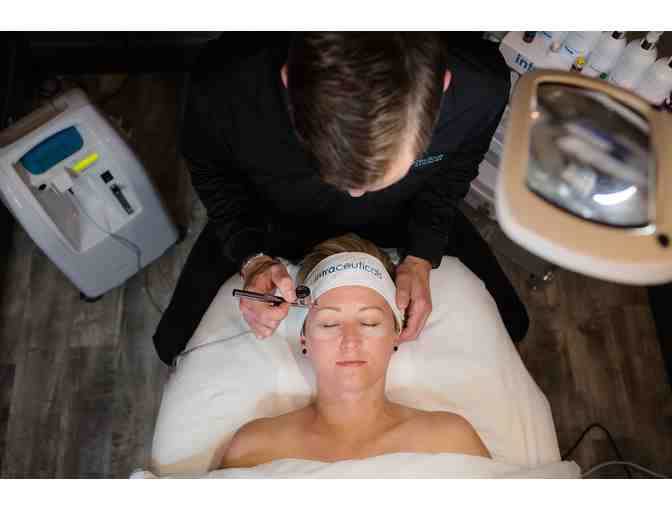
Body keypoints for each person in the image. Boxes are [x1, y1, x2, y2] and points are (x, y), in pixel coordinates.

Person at [153, 32, 529, 366]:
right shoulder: (224, 84)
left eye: (385, 175)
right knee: (171, 344)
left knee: (512, 323)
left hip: (405, 212)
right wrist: (251, 257)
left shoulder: (482, 87)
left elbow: (454, 171)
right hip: (270, 214)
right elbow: (211, 171)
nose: (355, 195)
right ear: (289, 80)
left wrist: (421, 255)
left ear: (444, 86)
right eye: (333, 172)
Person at [221, 234, 490, 468]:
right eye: (329, 324)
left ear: (396, 333)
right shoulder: (255, 448)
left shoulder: (451, 441)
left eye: (369, 322)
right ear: (304, 339)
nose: (350, 341)